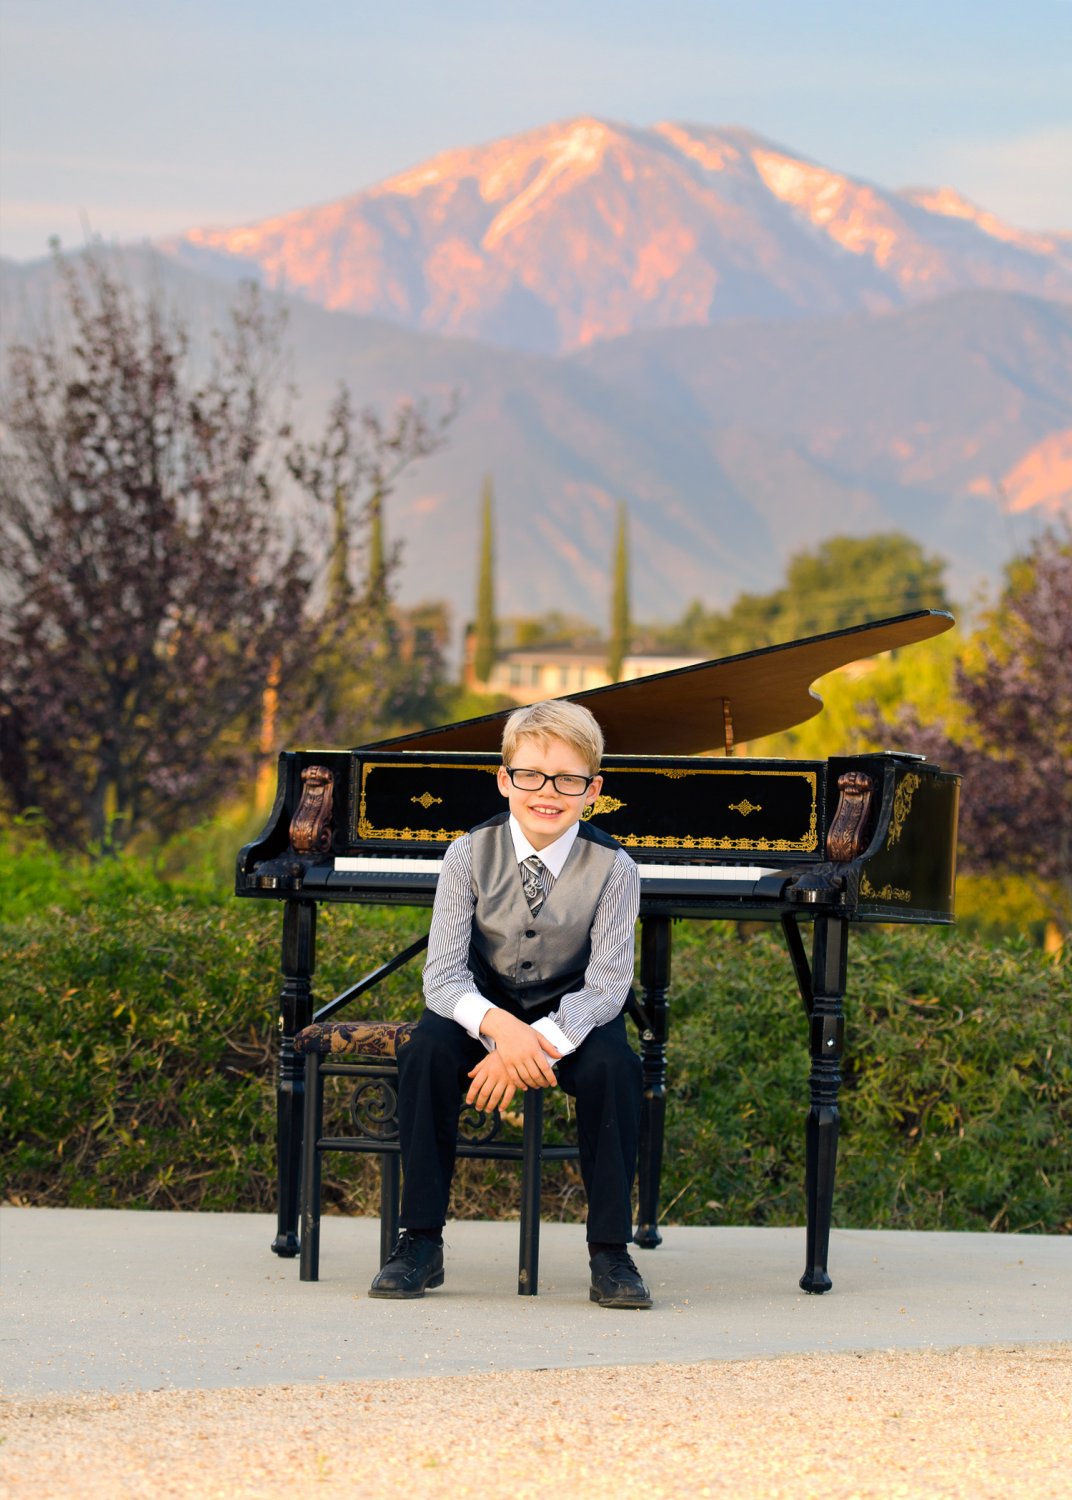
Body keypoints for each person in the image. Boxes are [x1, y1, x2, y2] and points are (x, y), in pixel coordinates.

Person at [369, 699, 650, 1308]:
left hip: (574, 1012)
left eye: (568, 780)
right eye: (530, 776)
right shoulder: (467, 852)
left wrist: (537, 1038)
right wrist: (502, 1033)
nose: (547, 793)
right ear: (504, 780)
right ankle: (419, 1241)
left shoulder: (618, 868)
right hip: (480, 1003)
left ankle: (611, 1254)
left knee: (615, 1069)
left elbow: (607, 986)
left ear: (593, 790)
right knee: (426, 1053)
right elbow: (441, 977)